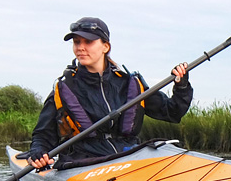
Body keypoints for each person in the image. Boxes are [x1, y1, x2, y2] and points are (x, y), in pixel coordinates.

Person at [21, 17, 193, 169]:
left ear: (105, 46)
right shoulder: (65, 88)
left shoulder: (129, 83)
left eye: (88, 42)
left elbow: (173, 112)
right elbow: (43, 135)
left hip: (131, 156)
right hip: (86, 161)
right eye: (76, 42)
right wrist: (38, 151)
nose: (80, 47)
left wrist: (181, 85)